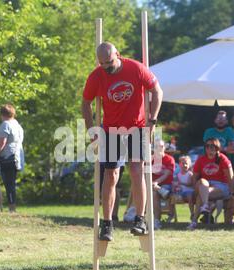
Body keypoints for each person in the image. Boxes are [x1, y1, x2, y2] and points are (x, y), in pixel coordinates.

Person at [82, 42, 163, 241]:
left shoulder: (135, 68)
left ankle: (140, 219)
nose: (107, 67)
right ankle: (107, 223)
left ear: (117, 54)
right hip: (111, 130)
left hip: (137, 127)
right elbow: (86, 102)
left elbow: (157, 91)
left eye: (109, 62)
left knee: (137, 170)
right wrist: (92, 129)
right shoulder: (96, 76)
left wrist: (152, 119)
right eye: (102, 64)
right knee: (111, 174)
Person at [188, 138, 234, 230]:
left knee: (201, 195)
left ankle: (194, 222)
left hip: (220, 186)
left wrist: (233, 192)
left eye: (212, 146)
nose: (209, 149)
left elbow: (231, 178)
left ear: (217, 148)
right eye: (207, 146)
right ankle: (205, 206)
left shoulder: (222, 159)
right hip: (204, 185)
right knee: (202, 182)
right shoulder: (201, 159)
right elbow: (194, 178)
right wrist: (195, 189)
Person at [0, 104, 24, 213]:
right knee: (11, 184)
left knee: (9, 184)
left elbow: (2, 142)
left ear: (2, 114)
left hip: (8, 158)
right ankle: (12, 207)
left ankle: (12, 209)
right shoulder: (17, 125)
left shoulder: (5, 124)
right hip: (16, 157)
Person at [151, 139, 175, 230]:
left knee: (154, 191)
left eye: (161, 146)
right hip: (153, 186)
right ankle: (157, 221)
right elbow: (145, 173)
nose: (159, 148)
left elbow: (166, 174)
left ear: (164, 147)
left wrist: (156, 182)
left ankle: (156, 220)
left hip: (167, 185)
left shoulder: (169, 159)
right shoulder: (150, 159)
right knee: (154, 192)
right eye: (156, 146)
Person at [172, 155, 195, 222]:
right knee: (172, 197)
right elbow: (176, 184)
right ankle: (173, 215)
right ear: (179, 164)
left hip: (189, 191)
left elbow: (190, 184)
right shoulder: (178, 174)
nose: (184, 165)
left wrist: (181, 183)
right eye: (183, 163)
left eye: (186, 164)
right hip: (181, 191)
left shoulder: (190, 174)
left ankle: (192, 213)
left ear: (189, 165)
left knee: (189, 196)